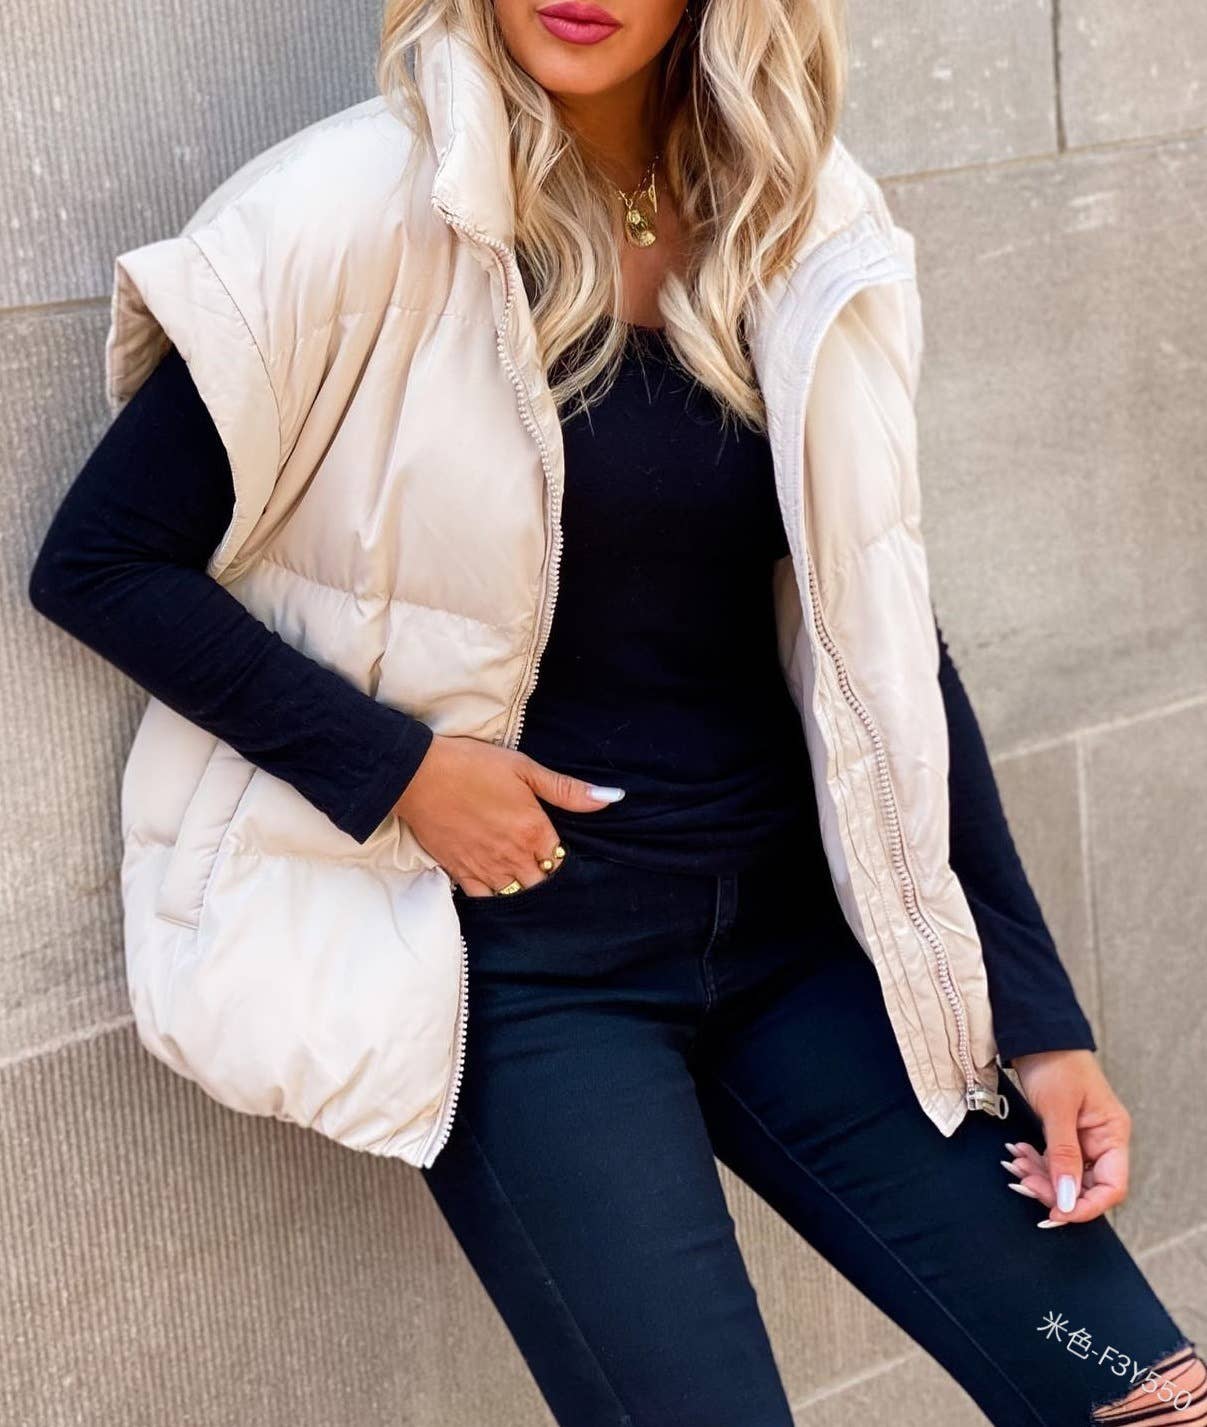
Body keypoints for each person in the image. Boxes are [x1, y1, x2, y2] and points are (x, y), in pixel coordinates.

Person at [28, 2, 1202, 1423]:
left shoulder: (801, 211)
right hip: (537, 985)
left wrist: (1035, 1015)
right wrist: (401, 772)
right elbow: (101, 561)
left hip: (803, 951)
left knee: (1139, 1398)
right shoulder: (347, 212)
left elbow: (880, 629)